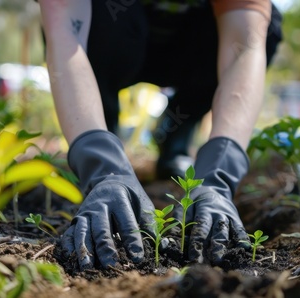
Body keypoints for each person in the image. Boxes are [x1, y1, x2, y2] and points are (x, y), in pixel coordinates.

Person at [37, 0, 282, 269]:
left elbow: (243, 50)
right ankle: (104, 134)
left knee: (264, 29)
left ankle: (176, 130)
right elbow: (65, 28)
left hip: (194, 46)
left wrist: (218, 176)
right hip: (116, 31)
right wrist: (101, 166)